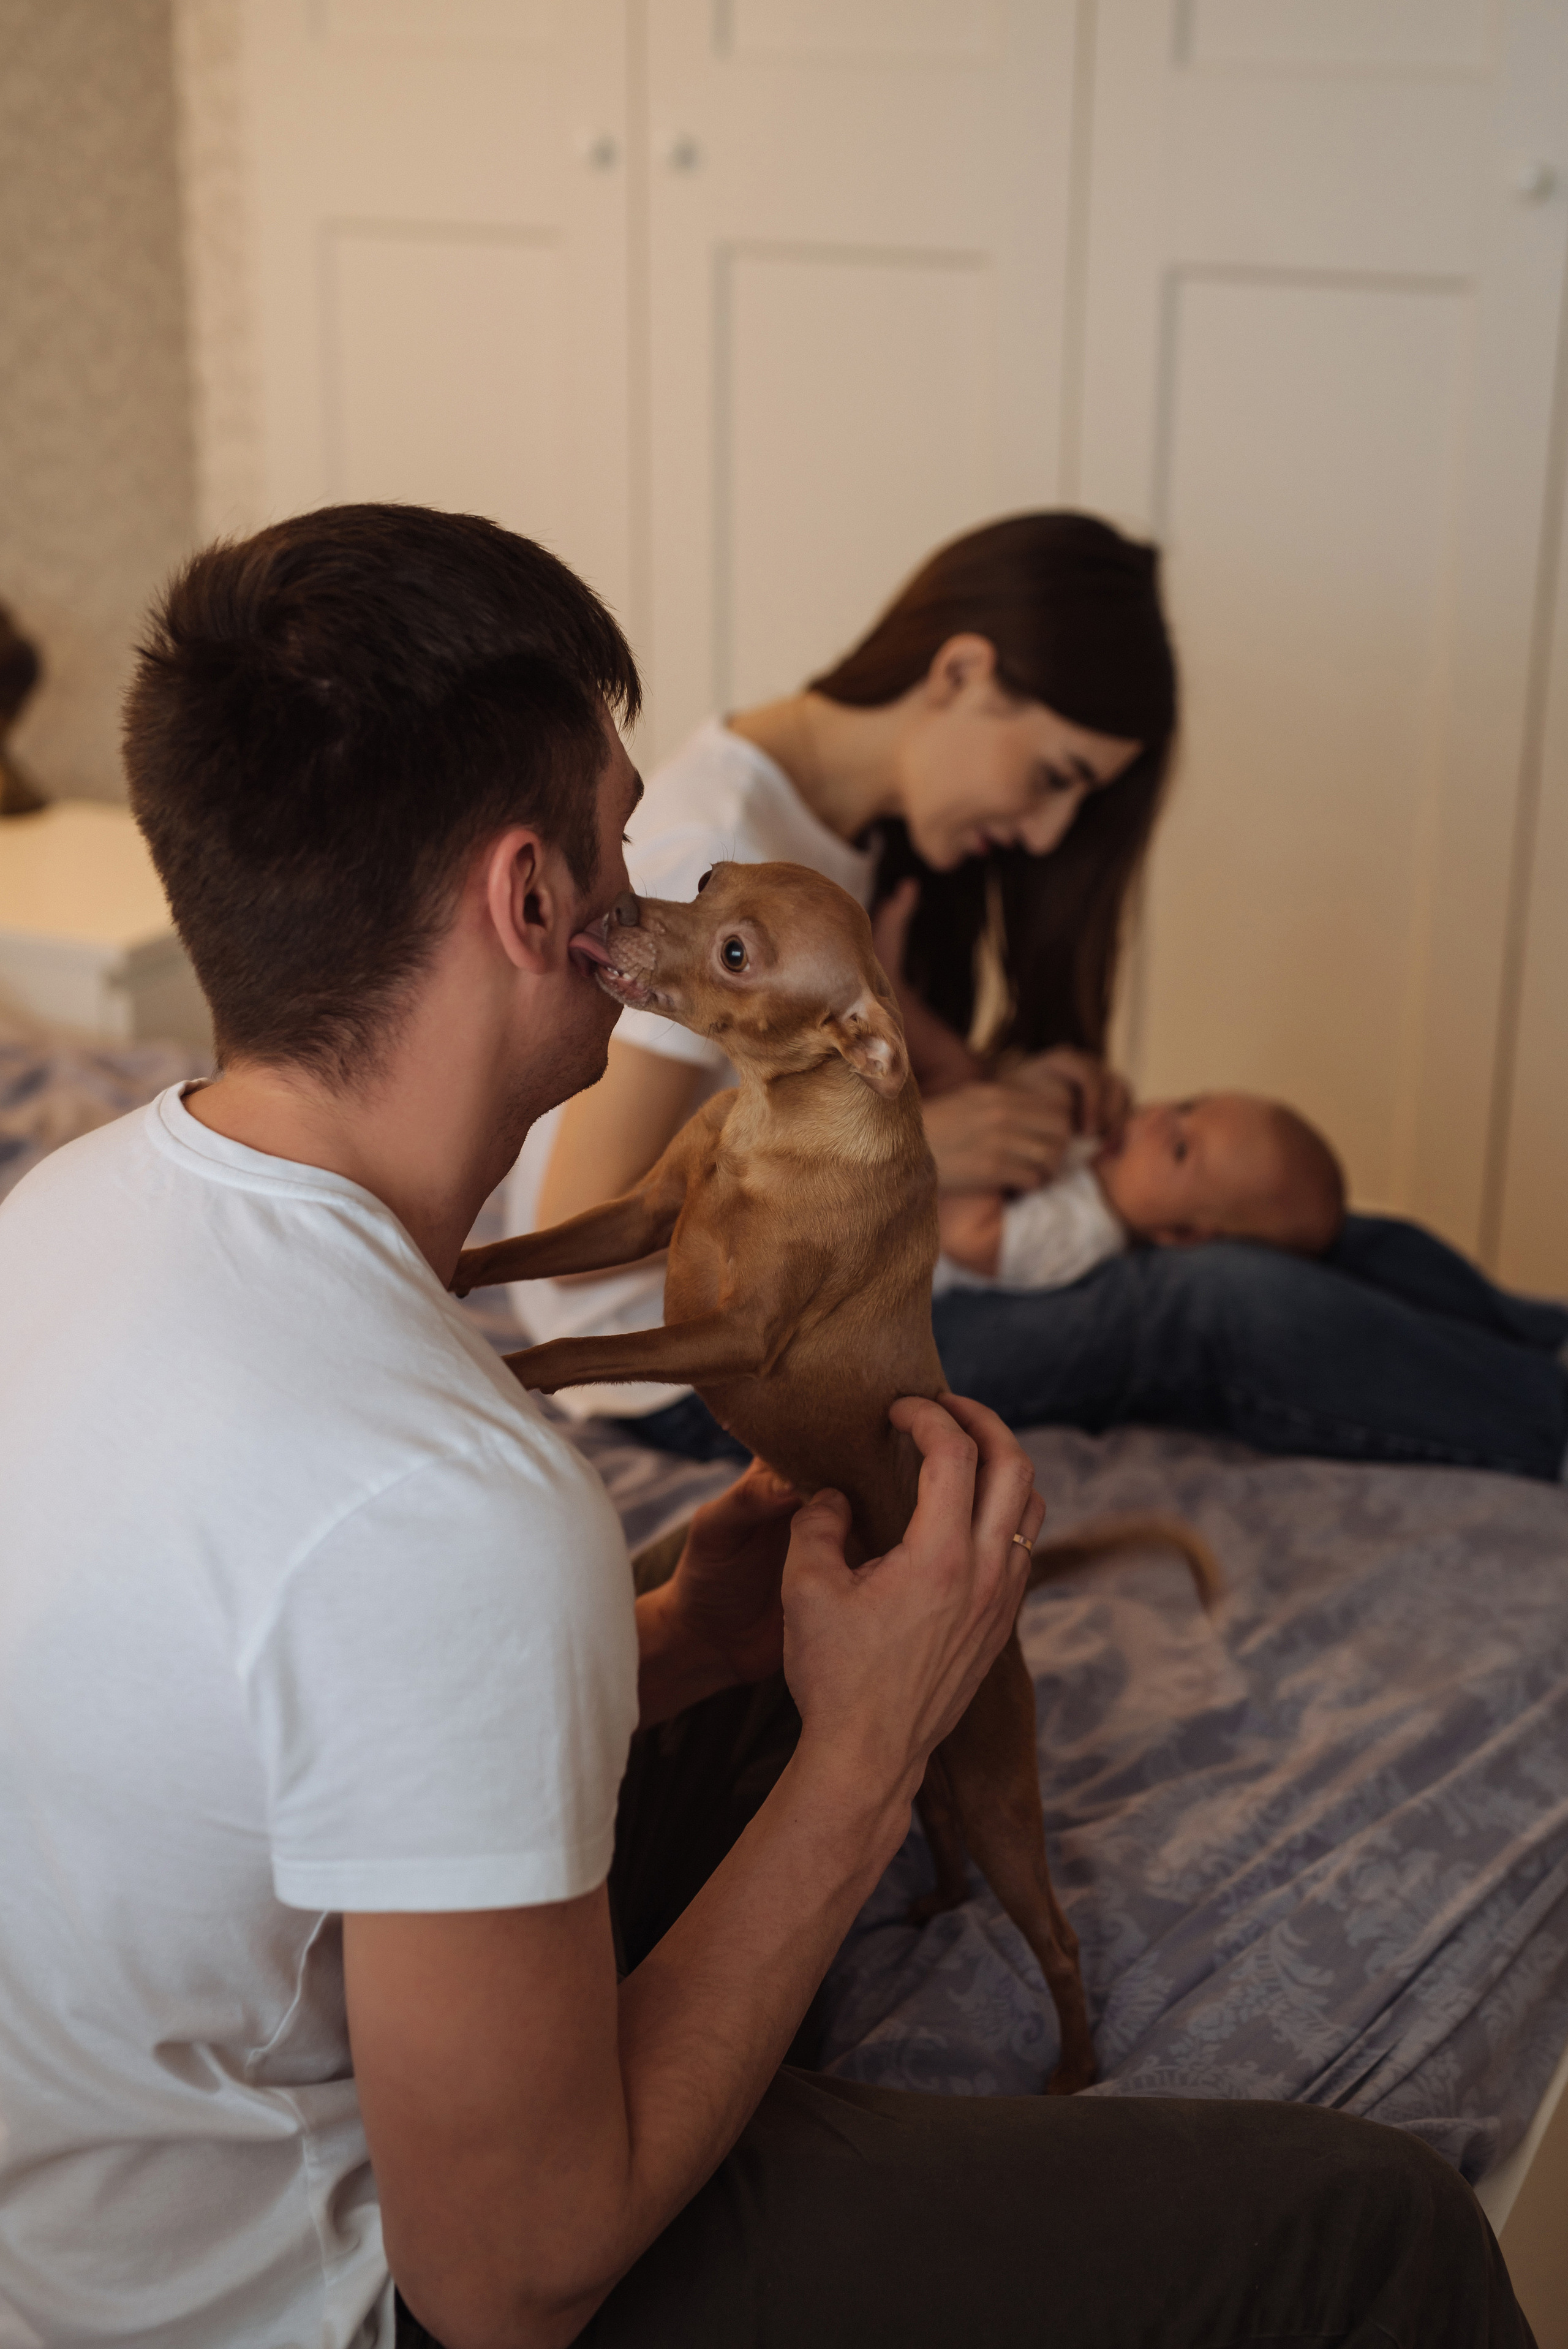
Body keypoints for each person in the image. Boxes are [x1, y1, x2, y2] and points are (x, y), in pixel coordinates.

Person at [0, 504, 1534, 2349]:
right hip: (328, 2298)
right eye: (625, 842)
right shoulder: (446, 1503)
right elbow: (502, 2282)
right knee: (1362, 2232)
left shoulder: (62, 1214)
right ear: (533, 905)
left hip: (99, 2202)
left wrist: (657, 1647)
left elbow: (252, 1733)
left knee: (742, 1688)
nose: (655, 890)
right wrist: (869, 1750)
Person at [513, 512, 1568, 1482]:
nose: (1052, 833)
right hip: (706, 1363)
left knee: (1298, 1208)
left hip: (819, 1276)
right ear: (966, 671)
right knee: (1195, 1303)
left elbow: (807, 1068)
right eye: (1057, 775)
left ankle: (1542, 1336)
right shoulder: (721, 844)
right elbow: (577, 1232)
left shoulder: (819, 828)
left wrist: (1003, 1097)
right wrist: (916, 1161)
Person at [937, 1089, 1346, 1289]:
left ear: (1184, 1234)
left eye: (1180, 1149)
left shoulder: (1085, 1233)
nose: (1155, 1118)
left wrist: (993, 1127)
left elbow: (966, 1236)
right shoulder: (1101, 1160)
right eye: (1185, 1106)